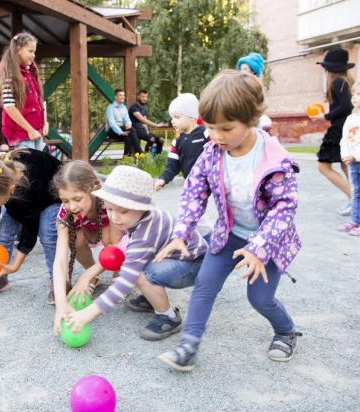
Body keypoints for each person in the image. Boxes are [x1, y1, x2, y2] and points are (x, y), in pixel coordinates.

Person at [157, 70, 301, 372]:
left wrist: (259, 248)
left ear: (250, 120)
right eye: (210, 128)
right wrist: (181, 232)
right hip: (229, 236)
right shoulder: (211, 154)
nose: (217, 136)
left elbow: (284, 209)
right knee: (204, 286)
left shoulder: (276, 160)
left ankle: (286, 331)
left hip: (267, 243)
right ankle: (188, 347)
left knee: (260, 299)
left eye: (226, 128)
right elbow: (194, 193)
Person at [64, 166, 207, 340]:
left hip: (195, 265)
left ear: (142, 208)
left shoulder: (145, 233)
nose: (115, 217)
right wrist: (88, 275)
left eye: (123, 211)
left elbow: (127, 279)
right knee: (134, 262)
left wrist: (89, 313)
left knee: (138, 274)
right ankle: (152, 297)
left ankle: (168, 316)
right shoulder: (139, 220)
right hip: (178, 258)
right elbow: (124, 254)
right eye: (109, 209)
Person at [0, 148, 61, 302]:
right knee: (5, 231)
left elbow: (30, 229)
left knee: (47, 235)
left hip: (50, 194)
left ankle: (57, 279)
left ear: (10, 190)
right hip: (22, 197)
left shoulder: (28, 184)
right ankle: (1, 275)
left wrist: (16, 265)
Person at [50, 160, 126, 314]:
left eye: (77, 199)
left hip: (109, 225)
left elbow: (117, 245)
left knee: (109, 241)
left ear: (93, 189)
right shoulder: (65, 214)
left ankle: (119, 275)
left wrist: (85, 276)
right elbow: (60, 260)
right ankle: (94, 277)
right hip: (86, 227)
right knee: (75, 242)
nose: (71, 206)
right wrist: (61, 303)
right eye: (65, 201)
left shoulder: (109, 200)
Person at [310, 47, 354, 215]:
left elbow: (346, 106)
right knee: (345, 164)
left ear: (330, 69)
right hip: (348, 128)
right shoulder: (346, 81)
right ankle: (356, 199)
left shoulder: (337, 82)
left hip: (340, 129)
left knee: (323, 167)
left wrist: (325, 116)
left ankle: (355, 200)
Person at [0, 32, 48, 151]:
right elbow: (9, 106)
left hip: (35, 132)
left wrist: (45, 122)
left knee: (37, 167)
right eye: (30, 51)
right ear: (19, 49)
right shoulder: (10, 72)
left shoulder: (30, 71)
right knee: (27, 168)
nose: (33, 55)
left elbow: (39, 99)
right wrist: (30, 130)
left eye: (34, 52)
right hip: (23, 134)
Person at [338, 79, 360, 236]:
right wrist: (345, 154)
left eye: (359, 94)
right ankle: (355, 220)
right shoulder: (351, 118)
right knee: (356, 192)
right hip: (352, 161)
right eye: (353, 94)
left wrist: (355, 155)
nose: (354, 97)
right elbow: (344, 138)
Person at [155, 93, 208, 191]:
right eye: (172, 118)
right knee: (187, 206)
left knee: (225, 205)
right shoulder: (177, 142)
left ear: (192, 117)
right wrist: (163, 179)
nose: (172, 121)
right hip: (192, 185)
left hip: (213, 181)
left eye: (177, 117)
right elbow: (172, 166)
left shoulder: (206, 133)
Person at [128, 89, 167, 153]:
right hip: (135, 130)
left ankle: (157, 158)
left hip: (142, 129)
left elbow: (144, 123)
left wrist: (147, 130)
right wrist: (156, 125)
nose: (144, 99)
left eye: (146, 97)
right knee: (152, 139)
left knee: (161, 140)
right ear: (138, 97)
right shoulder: (134, 107)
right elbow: (143, 120)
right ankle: (146, 157)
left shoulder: (144, 108)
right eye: (142, 97)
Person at [106, 89, 142, 157]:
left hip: (123, 129)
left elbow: (127, 119)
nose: (122, 97)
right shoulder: (110, 108)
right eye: (120, 95)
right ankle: (139, 151)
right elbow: (112, 123)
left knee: (128, 138)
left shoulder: (124, 107)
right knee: (132, 130)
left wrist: (128, 124)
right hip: (112, 131)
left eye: (123, 95)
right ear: (115, 97)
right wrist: (120, 132)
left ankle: (126, 158)